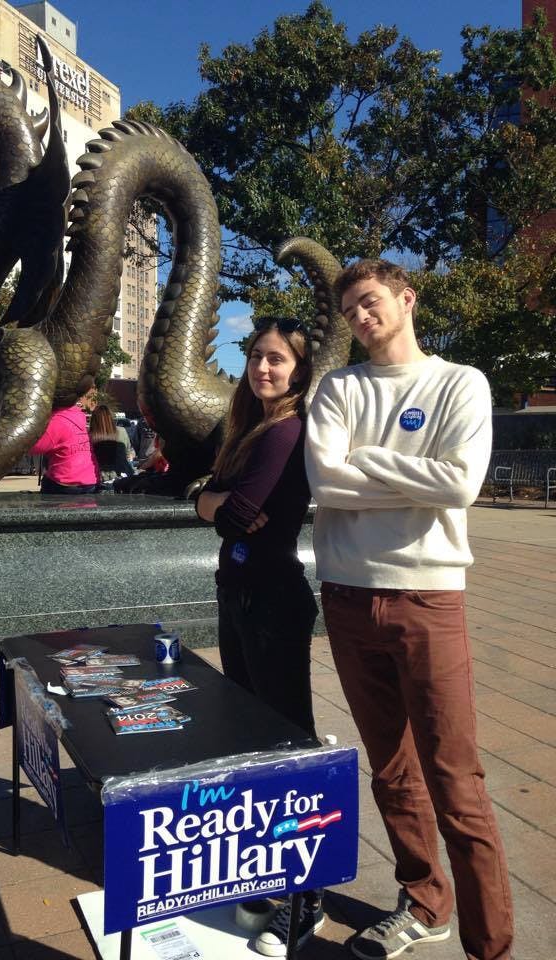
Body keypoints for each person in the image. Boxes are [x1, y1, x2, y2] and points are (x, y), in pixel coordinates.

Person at [305, 259, 512, 960]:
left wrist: (363, 461)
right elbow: (322, 479)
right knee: (391, 770)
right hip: (346, 595)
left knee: (456, 780)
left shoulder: (459, 382)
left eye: (370, 303)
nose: (361, 318)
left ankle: (493, 945)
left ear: (405, 298)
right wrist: (396, 477)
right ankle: (425, 903)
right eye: (351, 311)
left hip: (428, 594)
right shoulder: (338, 387)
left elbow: (459, 485)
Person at [196, 317, 323, 957]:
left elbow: (235, 517)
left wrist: (215, 502)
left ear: (298, 369)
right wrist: (214, 499)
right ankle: (265, 869)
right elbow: (214, 505)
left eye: (276, 359)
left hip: (273, 598)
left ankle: (308, 897)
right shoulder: (249, 429)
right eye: (255, 357)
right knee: (250, 734)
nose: (263, 368)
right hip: (237, 593)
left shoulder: (287, 431)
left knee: (286, 739)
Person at [30, 402, 99, 495]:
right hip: (90, 480)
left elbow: (35, 447)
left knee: (47, 481)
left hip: (65, 483)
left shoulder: (57, 421)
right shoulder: (78, 417)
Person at [88, 405, 134, 483]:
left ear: (94, 420)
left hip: (97, 477)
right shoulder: (122, 432)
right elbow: (129, 453)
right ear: (110, 418)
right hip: (121, 476)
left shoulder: (89, 436)